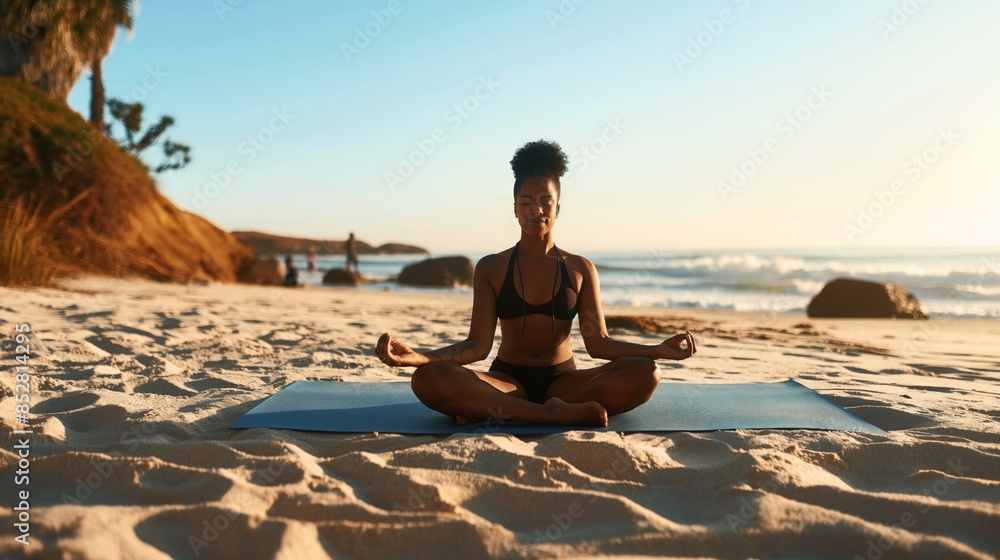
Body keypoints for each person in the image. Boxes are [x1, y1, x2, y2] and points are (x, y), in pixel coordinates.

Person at [375, 140, 696, 426]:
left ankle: (498, 410)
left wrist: (656, 350)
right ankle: (548, 414)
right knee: (429, 378)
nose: (536, 209)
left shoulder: (581, 268)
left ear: (558, 208)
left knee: (645, 373)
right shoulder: (491, 268)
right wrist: (418, 357)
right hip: (506, 379)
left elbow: (598, 344)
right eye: (526, 201)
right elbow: (477, 346)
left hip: (565, 383)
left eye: (546, 200)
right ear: (515, 209)